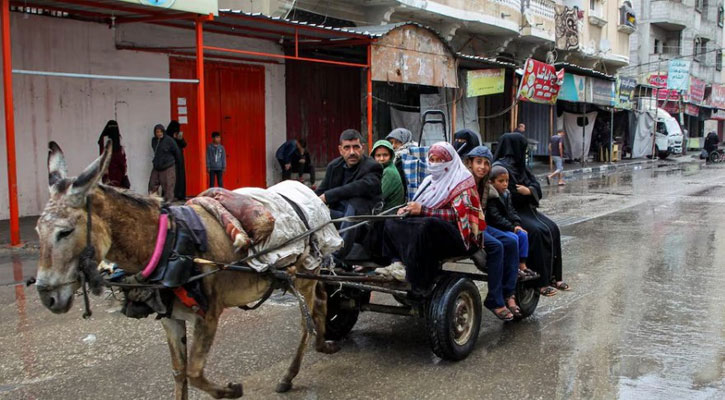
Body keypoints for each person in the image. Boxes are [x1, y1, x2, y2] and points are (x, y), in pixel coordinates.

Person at [378, 142, 485, 296]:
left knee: (427, 225)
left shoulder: (462, 180)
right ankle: (397, 263)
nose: (434, 164)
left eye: (439, 160)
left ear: (449, 161)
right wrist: (408, 209)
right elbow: (419, 203)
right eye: (432, 159)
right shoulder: (430, 180)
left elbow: (459, 216)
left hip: (461, 236)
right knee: (392, 219)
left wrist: (423, 210)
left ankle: (418, 280)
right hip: (434, 229)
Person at [494, 131, 569, 296]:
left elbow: (535, 186)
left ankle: (554, 277)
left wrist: (529, 190)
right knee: (535, 232)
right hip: (511, 212)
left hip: (527, 210)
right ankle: (540, 282)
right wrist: (524, 191)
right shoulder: (500, 167)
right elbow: (508, 192)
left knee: (553, 228)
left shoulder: (521, 166)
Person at [464, 146, 523, 320]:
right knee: (497, 247)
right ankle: (494, 300)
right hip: (466, 224)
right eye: (478, 162)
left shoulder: (484, 182)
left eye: (486, 163)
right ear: (470, 163)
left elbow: (482, 210)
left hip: (479, 223)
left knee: (512, 242)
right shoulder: (465, 179)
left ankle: (509, 294)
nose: (482, 167)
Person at [316, 129, 382, 260]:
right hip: (339, 218)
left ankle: (337, 256)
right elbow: (320, 192)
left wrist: (328, 196)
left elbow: (360, 187)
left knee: (356, 202)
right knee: (315, 209)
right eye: (347, 148)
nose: (352, 152)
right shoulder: (334, 166)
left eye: (356, 147)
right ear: (341, 150)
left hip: (363, 223)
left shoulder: (373, 166)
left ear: (362, 148)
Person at [487, 165, 534, 278]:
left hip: (506, 225)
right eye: (501, 181)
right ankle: (512, 267)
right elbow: (495, 217)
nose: (505, 184)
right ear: (492, 182)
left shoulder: (506, 194)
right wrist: (511, 227)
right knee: (514, 238)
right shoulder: (491, 196)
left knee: (523, 234)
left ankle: (522, 264)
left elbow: (512, 211)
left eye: (507, 181)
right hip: (496, 227)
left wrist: (517, 224)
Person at [149, 124, 181, 202]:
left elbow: (176, 151)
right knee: (152, 183)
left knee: (168, 185)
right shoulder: (154, 140)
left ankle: (168, 202)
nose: (159, 134)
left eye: (160, 132)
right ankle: (154, 201)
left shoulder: (169, 140)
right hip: (157, 166)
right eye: (157, 132)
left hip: (168, 165)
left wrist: (176, 162)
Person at [371, 140, 405, 211]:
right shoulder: (380, 169)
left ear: (391, 156)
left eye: (385, 155)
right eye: (378, 155)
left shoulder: (389, 172)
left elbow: (377, 197)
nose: (381, 159)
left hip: (389, 215)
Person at [97, 120, 130, 189]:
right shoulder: (118, 139)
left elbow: (102, 157)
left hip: (107, 174)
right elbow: (122, 159)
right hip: (117, 174)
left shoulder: (103, 140)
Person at [166, 120, 187, 200]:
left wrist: (180, 139)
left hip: (180, 159)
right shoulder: (168, 137)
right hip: (172, 159)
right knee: (172, 178)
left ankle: (180, 194)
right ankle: (173, 194)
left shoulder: (178, 136)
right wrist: (173, 138)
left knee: (180, 177)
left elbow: (184, 144)